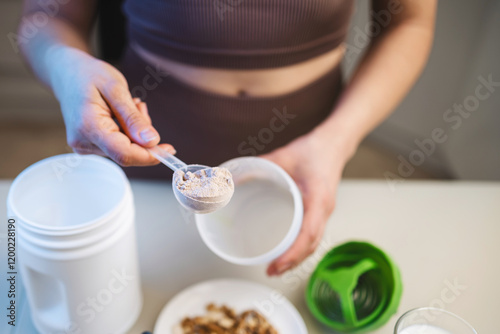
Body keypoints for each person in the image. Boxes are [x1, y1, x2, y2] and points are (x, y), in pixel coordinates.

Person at [17, 0, 436, 276]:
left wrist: (336, 141)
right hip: (145, 144)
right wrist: (65, 66)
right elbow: (47, 20)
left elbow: (410, 20)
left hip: (308, 146)